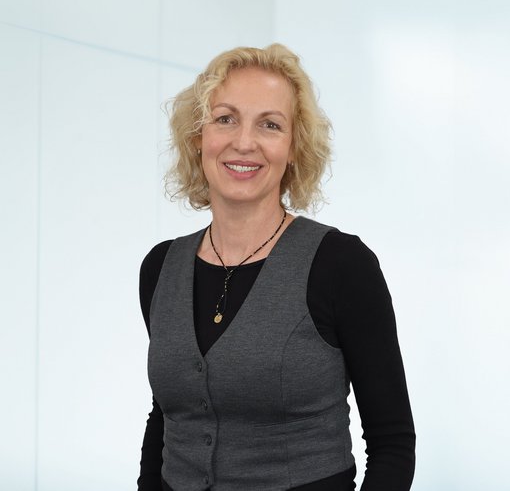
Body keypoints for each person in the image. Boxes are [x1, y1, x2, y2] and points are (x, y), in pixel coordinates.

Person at [137, 44, 415, 491]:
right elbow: (168, 418)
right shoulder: (160, 268)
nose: (243, 142)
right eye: (225, 118)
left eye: (269, 124)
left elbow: (392, 443)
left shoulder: (342, 266)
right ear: (198, 137)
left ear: (293, 147)